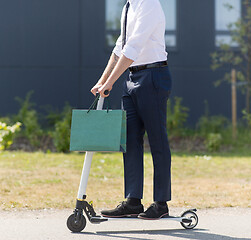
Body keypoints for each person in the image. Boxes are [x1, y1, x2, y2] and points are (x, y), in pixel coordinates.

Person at [90, 0, 172, 220]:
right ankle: (133, 201)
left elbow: (133, 47)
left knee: (157, 140)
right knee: (130, 139)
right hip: (131, 77)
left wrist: (111, 82)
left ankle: (161, 203)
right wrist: (102, 81)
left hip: (153, 76)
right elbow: (119, 48)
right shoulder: (128, 6)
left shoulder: (149, 4)